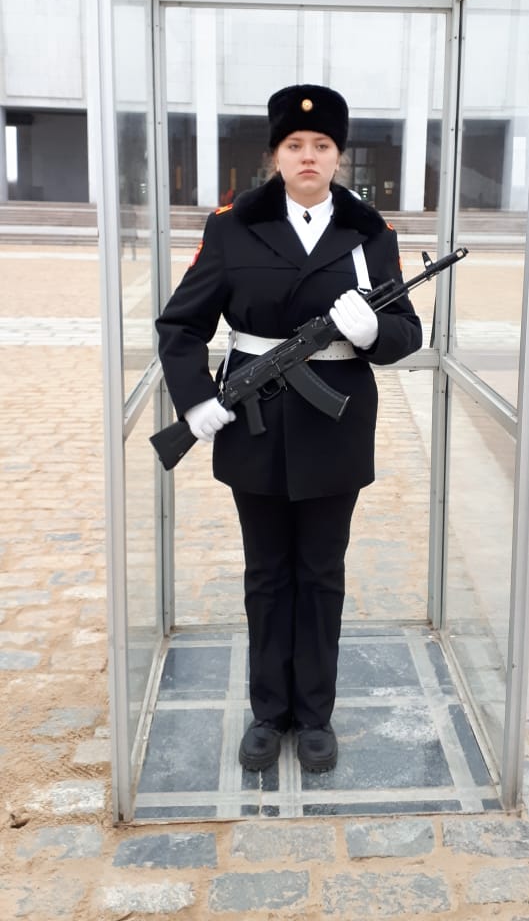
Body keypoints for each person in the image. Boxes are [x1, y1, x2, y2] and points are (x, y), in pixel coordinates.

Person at [156, 84, 422, 775]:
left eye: (322, 145)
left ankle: (315, 715)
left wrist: (374, 334)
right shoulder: (232, 227)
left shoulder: (370, 233)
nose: (309, 156)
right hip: (255, 422)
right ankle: (269, 711)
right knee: (267, 573)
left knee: (322, 573)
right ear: (276, 154)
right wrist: (196, 400)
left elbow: (407, 331)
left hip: (337, 427)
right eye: (295, 144)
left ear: (339, 156)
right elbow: (181, 325)